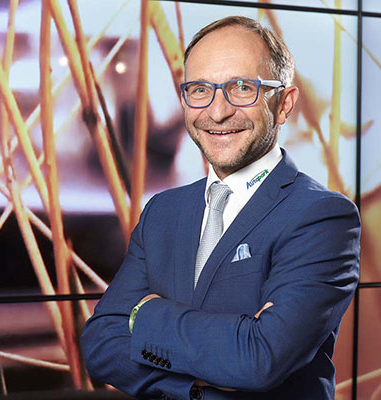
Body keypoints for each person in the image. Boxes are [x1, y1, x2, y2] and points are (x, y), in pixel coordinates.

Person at [81, 16, 360, 400]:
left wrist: (144, 315)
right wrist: (197, 385)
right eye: (200, 90)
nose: (216, 112)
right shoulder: (163, 211)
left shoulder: (322, 216)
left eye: (242, 88)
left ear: (284, 104)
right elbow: (100, 343)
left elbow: (260, 359)